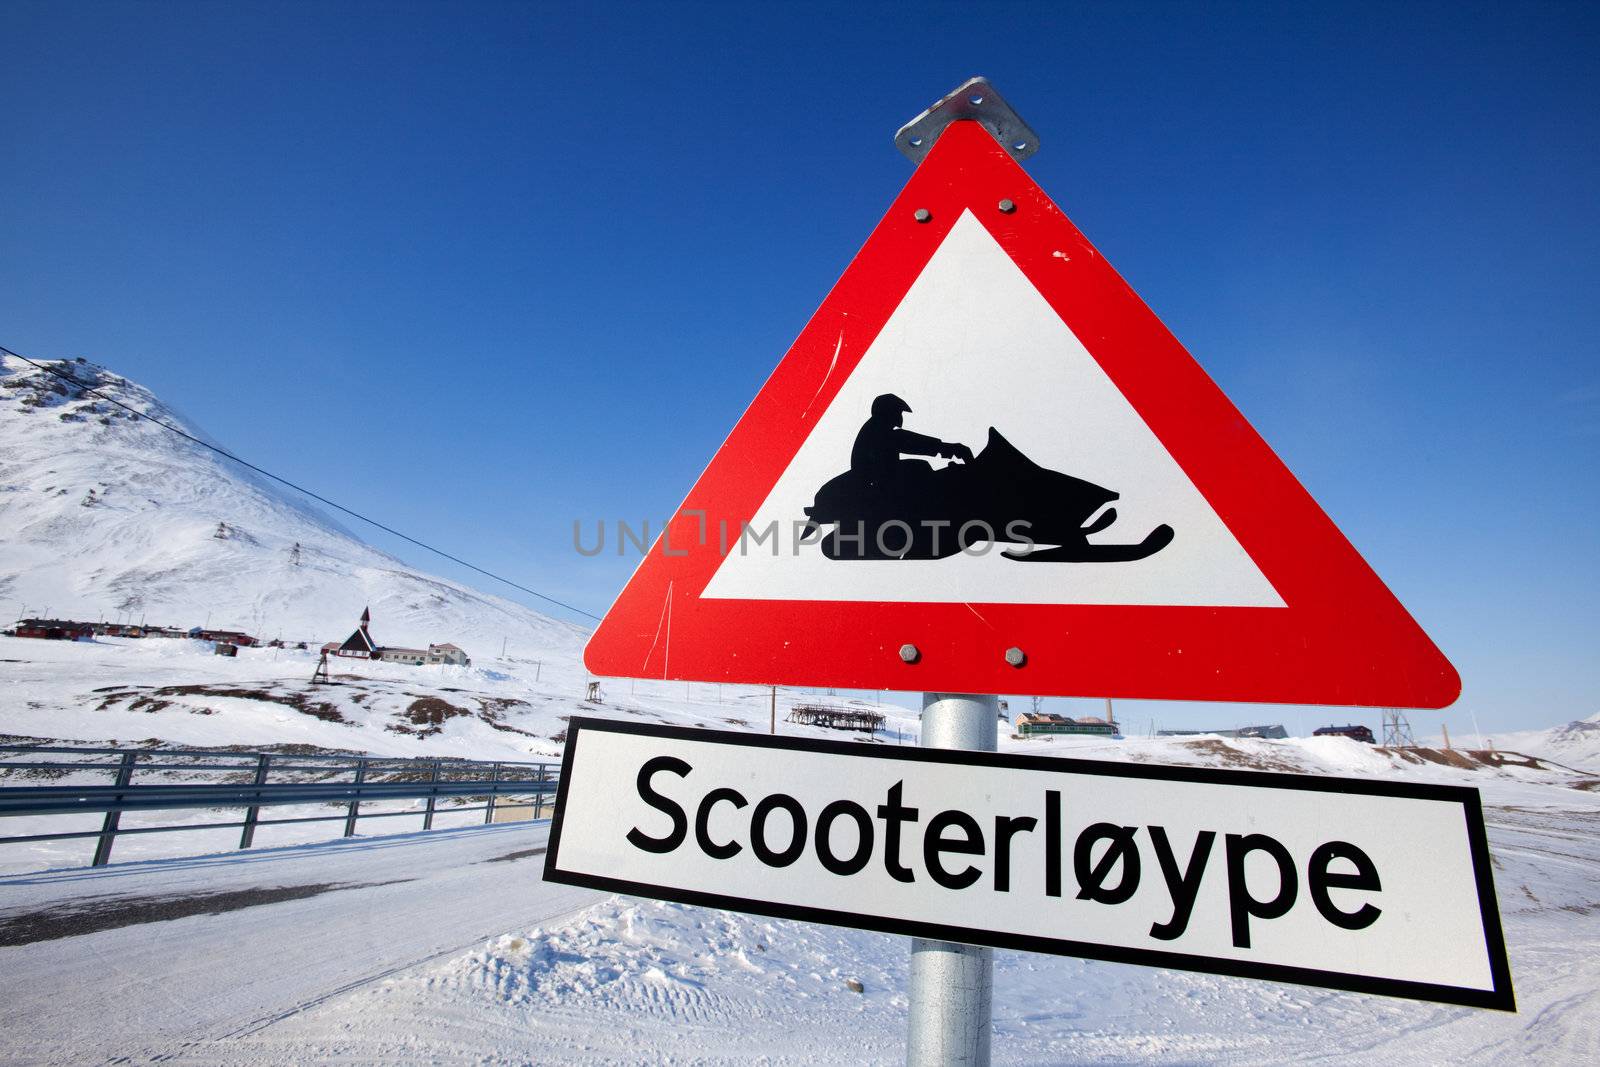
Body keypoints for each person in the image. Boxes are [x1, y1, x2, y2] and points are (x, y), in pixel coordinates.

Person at [849, 393, 973, 488]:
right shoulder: (879, 430)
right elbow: (908, 441)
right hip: (878, 481)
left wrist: (945, 449)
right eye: (898, 411)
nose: (900, 416)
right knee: (920, 468)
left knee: (920, 468)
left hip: (877, 477)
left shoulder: (875, 428)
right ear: (890, 412)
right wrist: (948, 449)